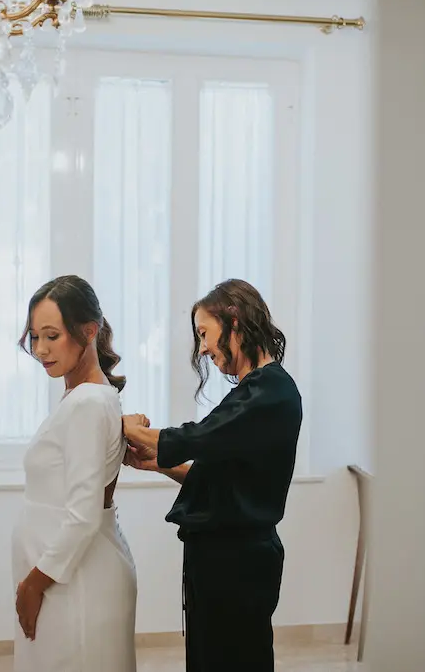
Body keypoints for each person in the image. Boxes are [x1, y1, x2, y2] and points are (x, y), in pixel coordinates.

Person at [122, 278, 303, 672]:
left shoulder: (269, 391)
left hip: (238, 564)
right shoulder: (254, 390)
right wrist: (154, 463)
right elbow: (224, 478)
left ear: (234, 321)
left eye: (204, 333)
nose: (202, 348)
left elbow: (199, 437)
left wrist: (124, 426)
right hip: (225, 559)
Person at [11, 275, 139, 672]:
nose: (41, 349)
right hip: (68, 578)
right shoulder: (84, 398)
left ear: (89, 331)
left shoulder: (87, 403)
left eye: (52, 335)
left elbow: (82, 513)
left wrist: (34, 583)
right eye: (34, 337)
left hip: (74, 582)